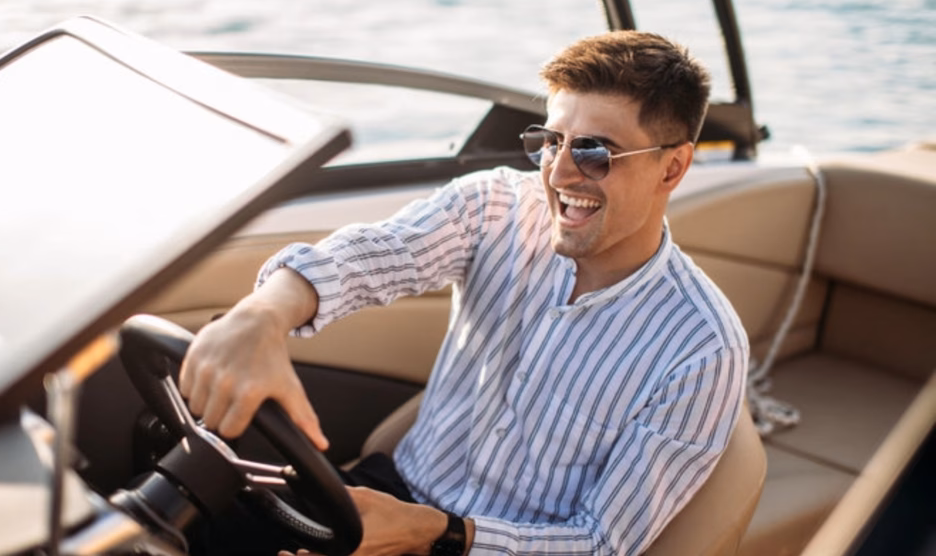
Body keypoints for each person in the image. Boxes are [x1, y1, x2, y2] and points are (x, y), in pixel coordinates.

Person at [180, 30, 749, 556]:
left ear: (672, 168)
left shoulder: (702, 349)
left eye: (594, 152)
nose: (558, 174)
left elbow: (600, 544)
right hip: (389, 496)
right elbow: (374, 255)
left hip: (476, 544)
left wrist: (433, 532)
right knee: (180, 519)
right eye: (551, 142)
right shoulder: (493, 207)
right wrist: (264, 313)